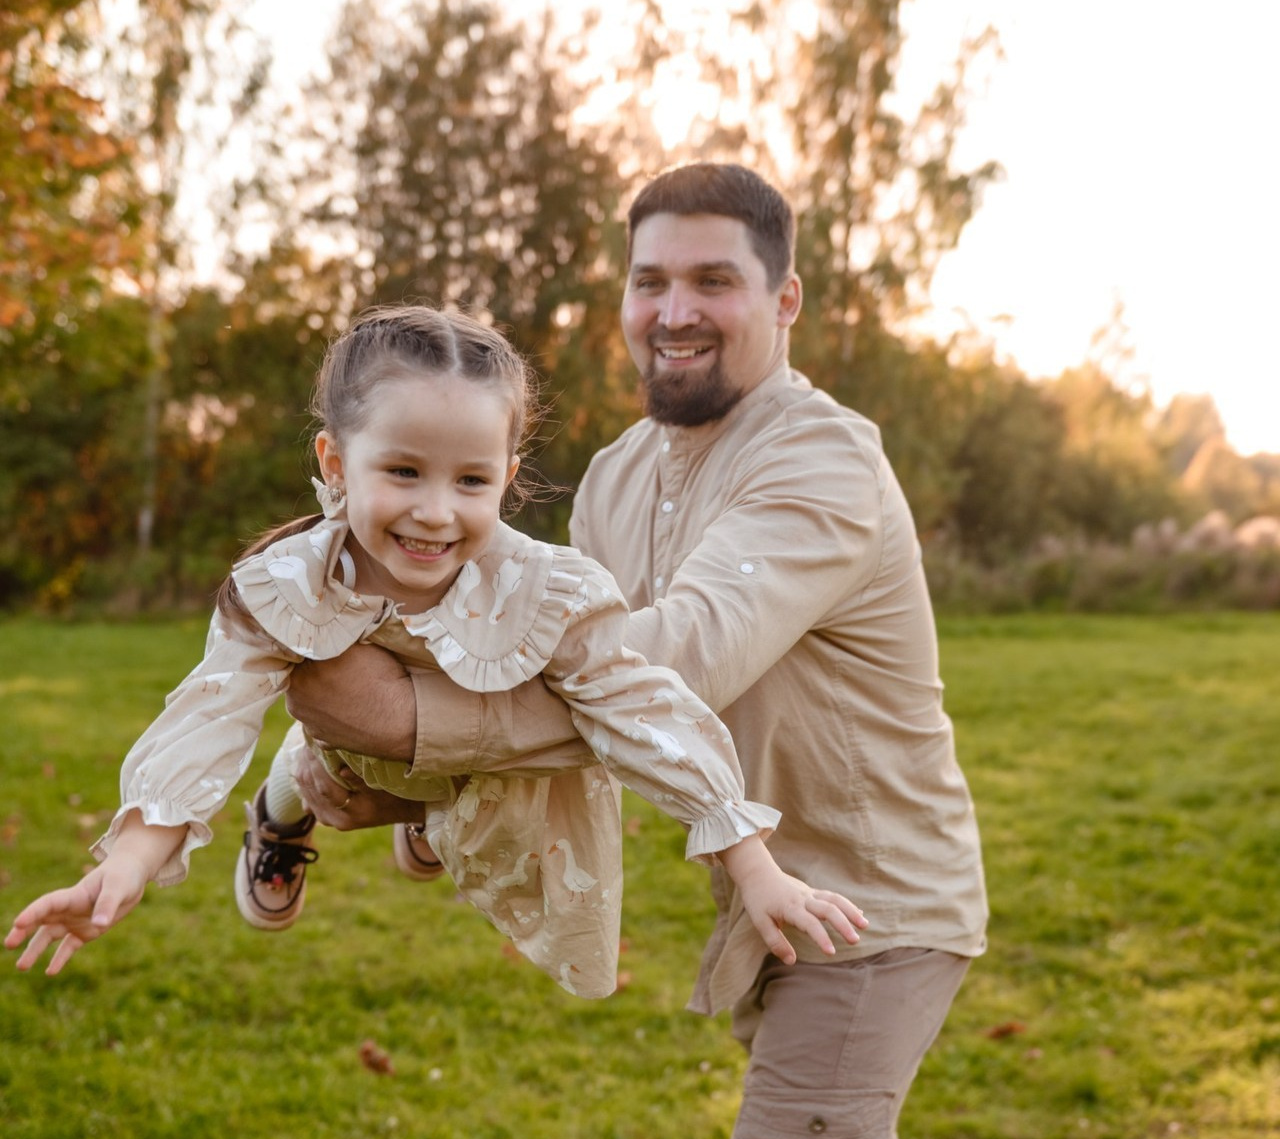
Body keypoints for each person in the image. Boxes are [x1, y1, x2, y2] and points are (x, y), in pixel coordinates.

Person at [282, 165, 988, 1139]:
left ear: (784, 300)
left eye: (713, 280)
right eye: (649, 279)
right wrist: (416, 795)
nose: (673, 311)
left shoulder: (820, 457)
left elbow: (673, 663)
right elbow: (543, 663)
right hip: (764, 898)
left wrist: (415, 722)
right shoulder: (616, 474)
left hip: (873, 907)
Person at [4, 304, 868, 998]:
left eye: (471, 481)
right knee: (306, 763)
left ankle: (433, 820)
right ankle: (280, 820)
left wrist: (751, 863)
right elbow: (211, 712)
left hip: (460, 748)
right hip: (337, 751)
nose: (435, 513)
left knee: (514, 766)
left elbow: (642, 709)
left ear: (506, 472)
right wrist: (127, 860)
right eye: (404, 472)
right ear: (335, 462)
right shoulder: (291, 582)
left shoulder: (538, 588)